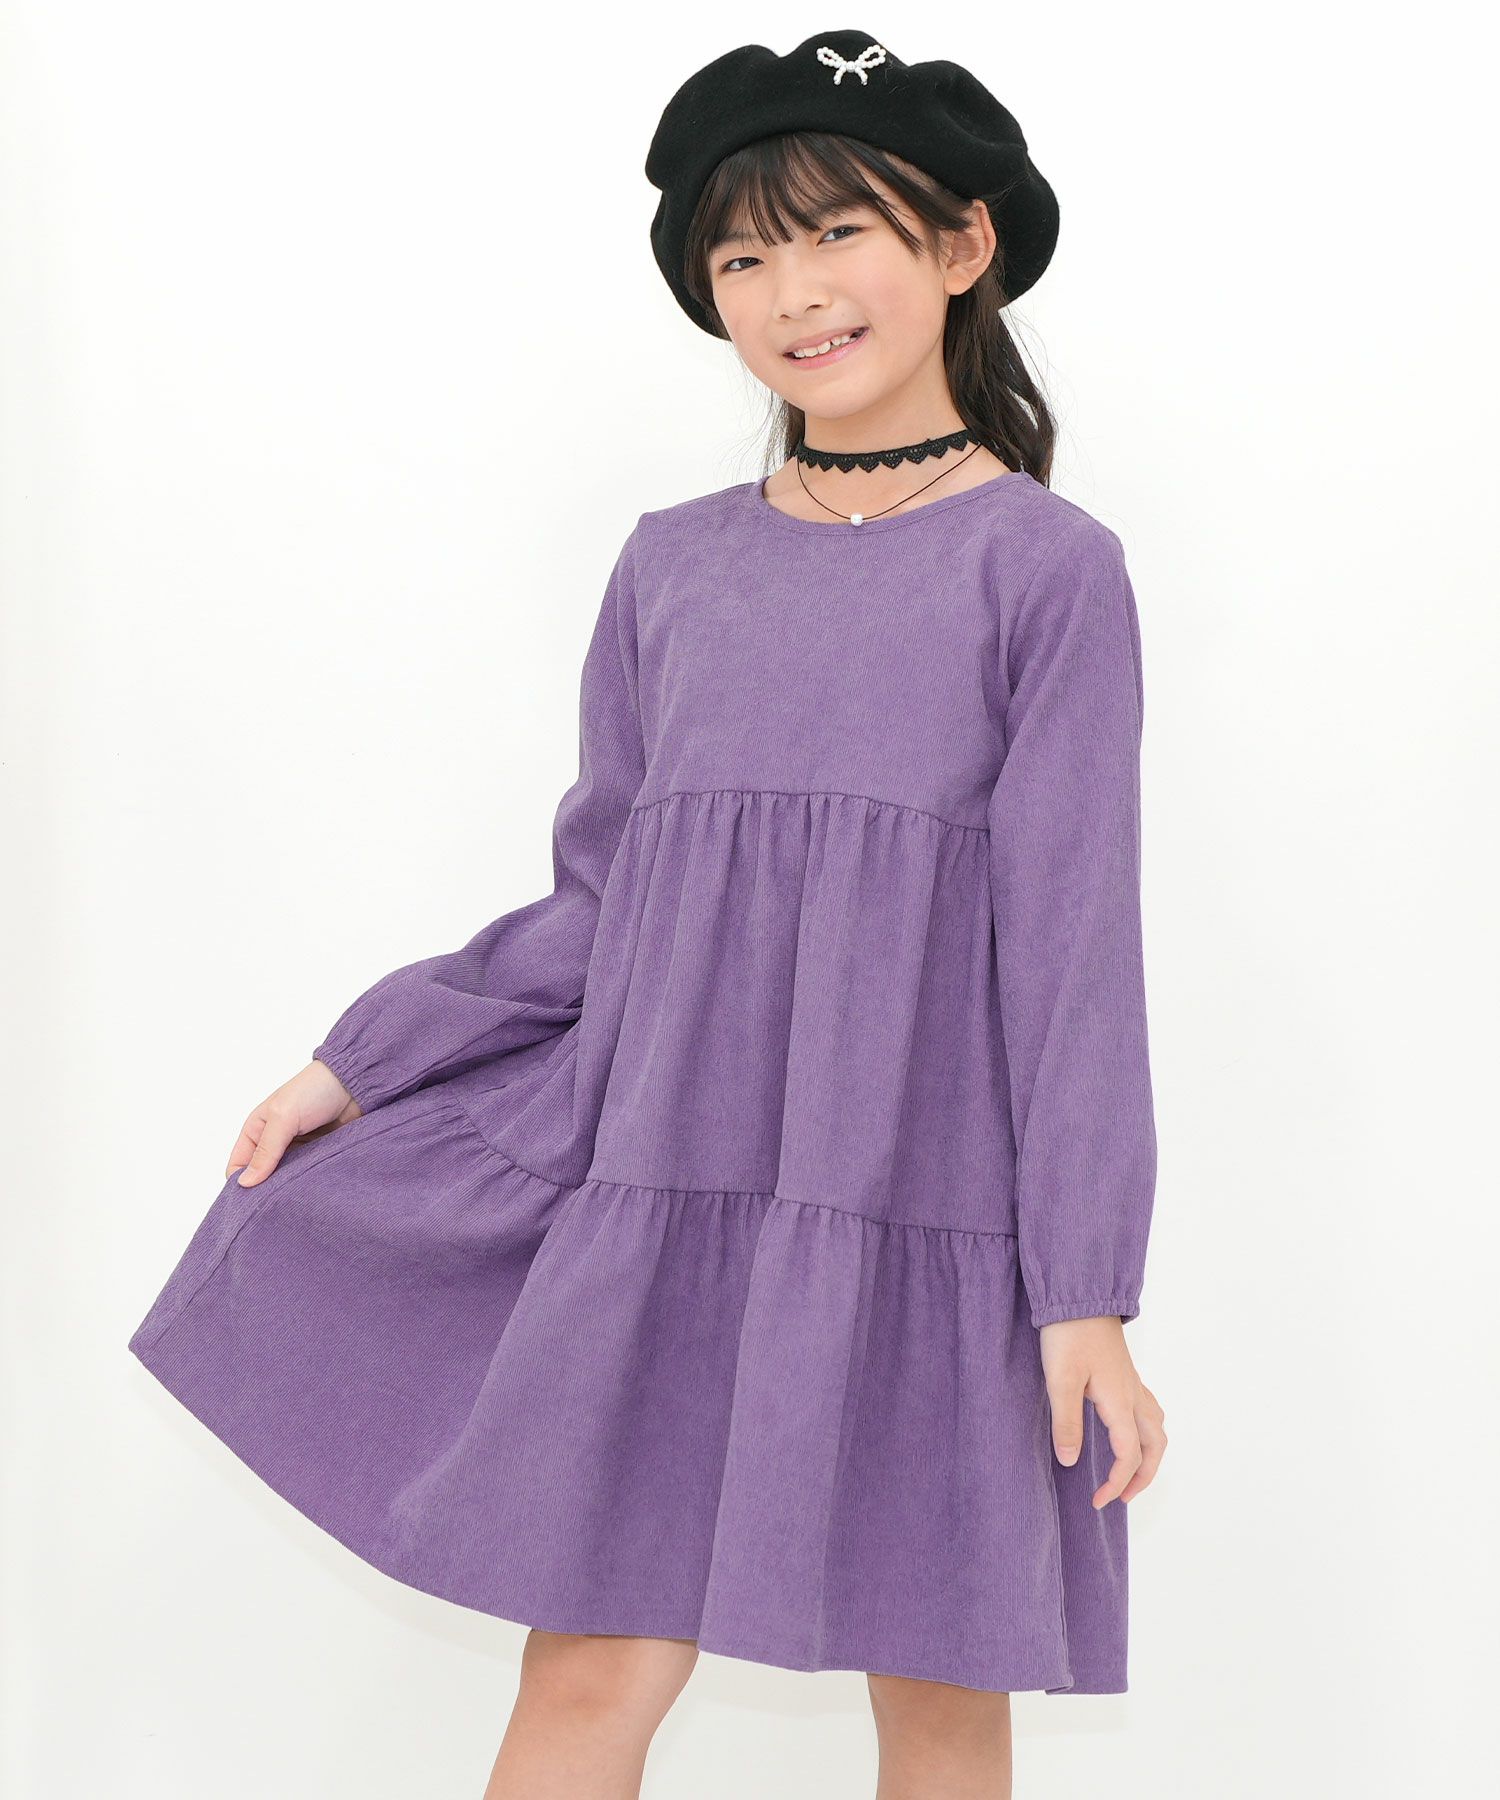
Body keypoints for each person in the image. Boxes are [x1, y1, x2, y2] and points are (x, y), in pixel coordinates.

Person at [128, 27, 1168, 1799]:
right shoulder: (673, 564)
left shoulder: (1046, 571)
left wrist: (1083, 1292)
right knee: (595, 1666)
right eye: (743, 256)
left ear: (961, 245)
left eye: (837, 232)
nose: (793, 291)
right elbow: (601, 899)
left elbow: (1074, 956)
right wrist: (364, 1063)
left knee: (940, 1687)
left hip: (933, 1212)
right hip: (662, 1190)